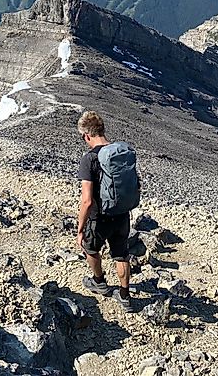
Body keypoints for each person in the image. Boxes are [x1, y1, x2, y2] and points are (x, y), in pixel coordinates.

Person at [76, 110, 135, 312]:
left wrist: (80, 228)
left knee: (90, 248)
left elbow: (86, 200)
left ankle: (99, 281)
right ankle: (125, 296)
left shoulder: (89, 159)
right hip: (121, 213)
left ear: (86, 136)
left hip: (99, 217)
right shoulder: (120, 153)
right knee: (121, 254)